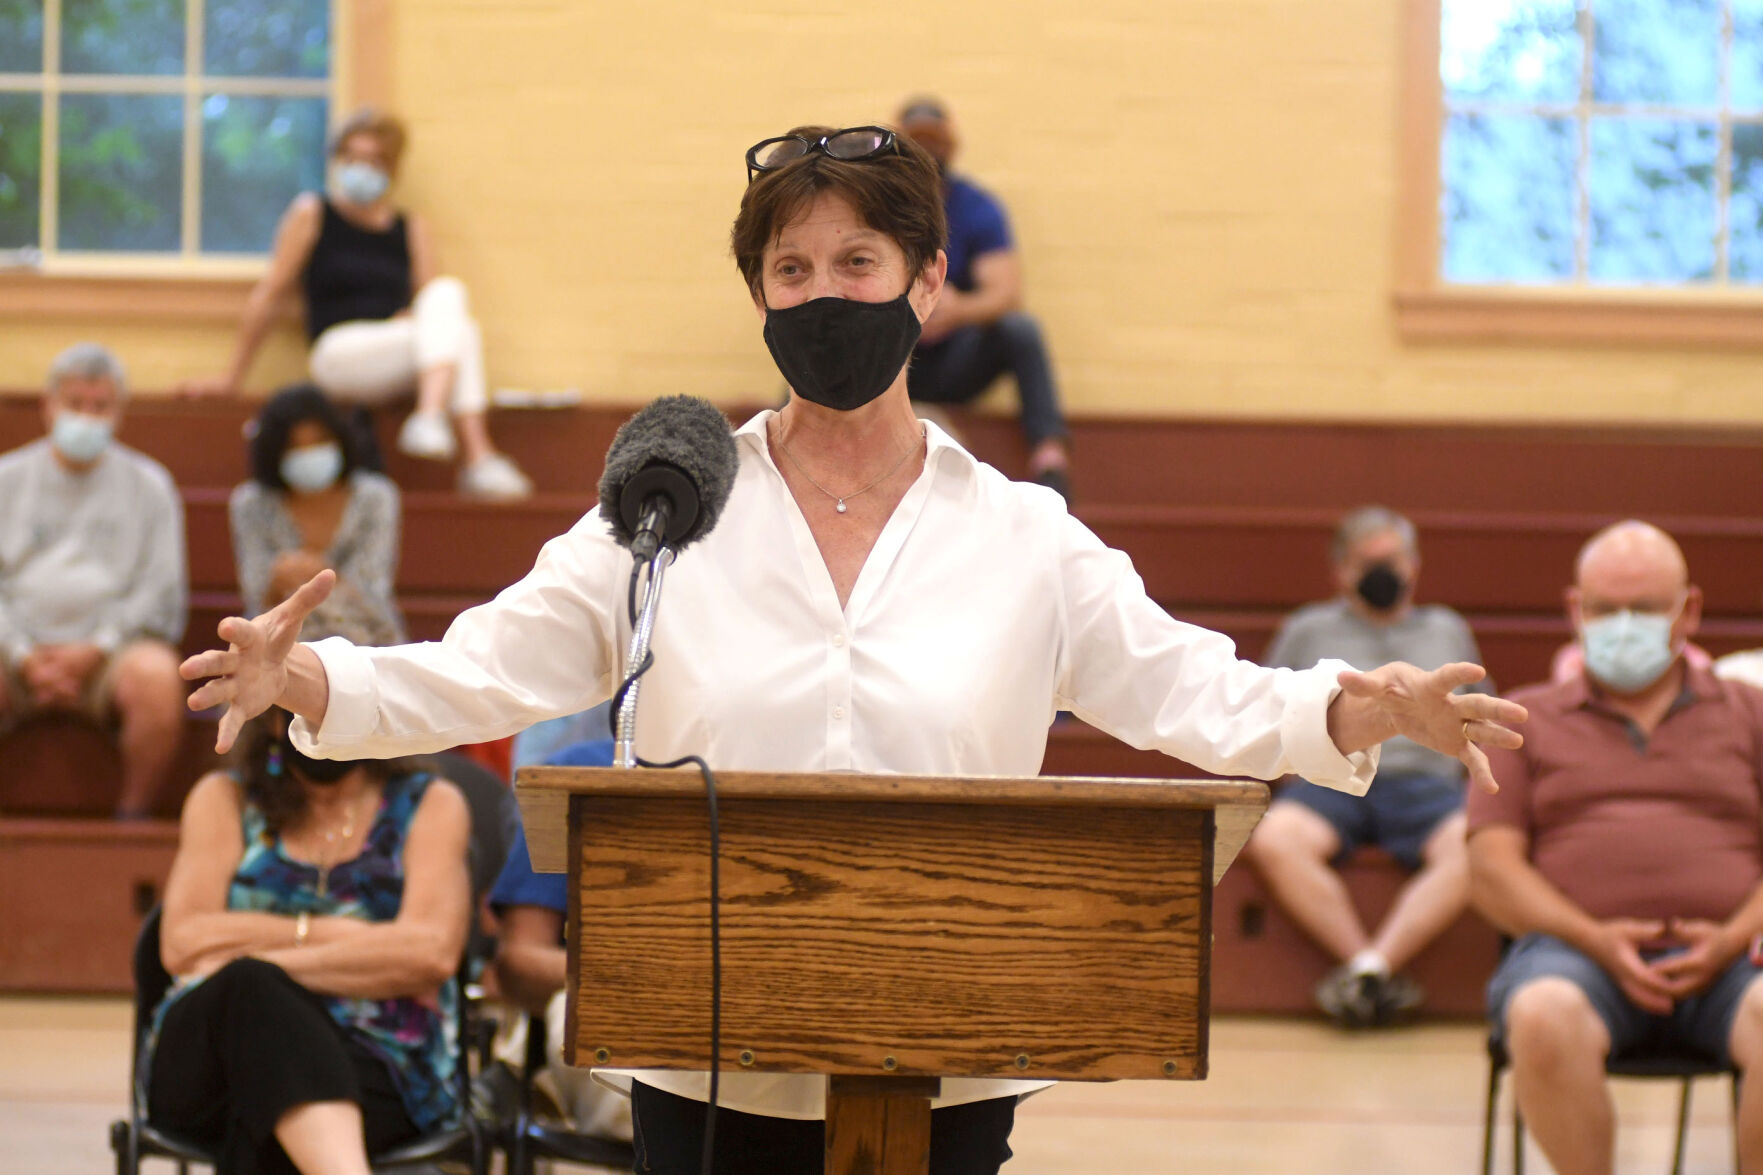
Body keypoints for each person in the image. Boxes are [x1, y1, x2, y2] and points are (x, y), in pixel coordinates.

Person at [181, 122, 1526, 1175]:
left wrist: (1359, 710)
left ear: (926, 285)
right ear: (755, 295)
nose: (821, 295)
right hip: (705, 1038)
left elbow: (1189, 689)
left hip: (950, 1028)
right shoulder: (665, 506)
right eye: (789, 271)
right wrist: (308, 679)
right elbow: (488, 663)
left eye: (855, 266)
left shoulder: (1018, 530)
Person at [1467, 521, 1763, 1175]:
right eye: (1603, 608)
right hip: (1572, 958)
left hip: (1736, 956)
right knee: (1541, 1014)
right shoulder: (1520, 719)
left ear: (1689, 611)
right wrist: (1594, 937)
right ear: (1574, 610)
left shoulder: (1751, 712)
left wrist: (1731, 934)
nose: (1622, 624)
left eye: (1646, 607)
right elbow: (1490, 867)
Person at [146, 708, 472, 1175]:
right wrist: (344, 938)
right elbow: (183, 942)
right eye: (303, 707)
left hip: (379, 1059)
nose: (323, 724)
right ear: (275, 721)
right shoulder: (225, 798)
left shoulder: (432, 804)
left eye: (338, 706)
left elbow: (429, 953)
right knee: (249, 993)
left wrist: (251, 955)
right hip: (206, 1061)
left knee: (267, 1106)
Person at [182, 108, 532, 501]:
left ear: (393, 167)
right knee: (462, 329)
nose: (362, 168)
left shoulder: (410, 228)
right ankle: (475, 455)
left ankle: (432, 419)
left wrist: (411, 317)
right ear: (337, 160)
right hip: (338, 353)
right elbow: (271, 293)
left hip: (396, 351)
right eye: (353, 157)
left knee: (451, 303)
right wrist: (232, 379)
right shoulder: (313, 213)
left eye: (374, 159)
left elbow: (432, 307)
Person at [1243, 506, 1489, 1028]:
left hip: (1426, 783)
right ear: (1341, 571)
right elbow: (1266, 709)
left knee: (1475, 844)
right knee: (1275, 839)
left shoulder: (1447, 629)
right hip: (1332, 778)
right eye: (1367, 562)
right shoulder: (1307, 629)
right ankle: (1365, 966)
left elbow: (1478, 713)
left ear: (1414, 565)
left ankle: (1372, 970)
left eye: (1392, 560)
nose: (1383, 573)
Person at [0, 342, 188, 819]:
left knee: (158, 681)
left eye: (100, 406)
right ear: (48, 406)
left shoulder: (150, 485)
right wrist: (23, 655)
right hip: (13, 649)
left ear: (118, 411)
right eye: (75, 404)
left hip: (113, 654)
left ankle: (130, 820)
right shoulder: (7, 478)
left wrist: (96, 648)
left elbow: (161, 592)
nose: (87, 417)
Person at [895, 98, 1072, 498]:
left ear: (950, 146)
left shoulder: (976, 208)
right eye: (916, 141)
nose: (927, 152)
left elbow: (1006, 293)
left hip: (953, 361)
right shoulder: (876, 209)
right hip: (888, 361)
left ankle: (1050, 458)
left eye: (933, 141)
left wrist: (957, 310)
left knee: (1020, 330)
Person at [490, 734, 632, 1143]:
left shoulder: (785, 775)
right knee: (582, 1016)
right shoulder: (583, 771)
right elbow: (519, 959)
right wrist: (648, 976)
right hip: (603, 998)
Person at [231, 385, 407, 648]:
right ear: (274, 453)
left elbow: (373, 587)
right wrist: (276, 582)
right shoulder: (251, 503)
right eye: (295, 446)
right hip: (279, 640)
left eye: (319, 441)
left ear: (340, 440)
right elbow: (255, 592)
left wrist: (320, 576)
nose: (309, 453)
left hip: (367, 640)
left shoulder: (375, 497)